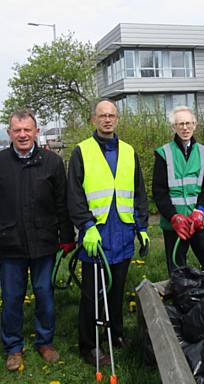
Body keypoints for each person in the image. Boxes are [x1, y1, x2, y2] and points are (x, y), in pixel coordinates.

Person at [0, 109, 74, 371]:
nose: (23, 134)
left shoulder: (52, 162)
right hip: (11, 244)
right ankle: (13, 347)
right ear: (9, 133)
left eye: (28, 129)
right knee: (13, 297)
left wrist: (67, 237)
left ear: (36, 131)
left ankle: (45, 342)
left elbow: (62, 203)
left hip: (45, 243)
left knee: (44, 295)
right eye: (17, 130)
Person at [67, 99, 149, 366]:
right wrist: (86, 227)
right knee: (92, 294)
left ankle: (115, 335)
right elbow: (75, 195)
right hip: (96, 237)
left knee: (116, 291)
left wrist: (142, 227)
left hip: (123, 233)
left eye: (112, 115)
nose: (107, 120)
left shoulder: (129, 151)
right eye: (102, 115)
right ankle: (89, 345)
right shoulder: (82, 151)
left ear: (117, 119)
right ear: (94, 120)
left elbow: (138, 192)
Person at [153, 106, 204, 275]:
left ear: (195, 125)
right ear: (173, 127)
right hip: (174, 223)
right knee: (177, 270)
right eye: (180, 124)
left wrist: (201, 210)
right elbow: (159, 191)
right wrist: (173, 216)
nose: (185, 128)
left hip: (198, 220)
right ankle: (181, 299)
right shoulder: (164, 153)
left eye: (188, 123)